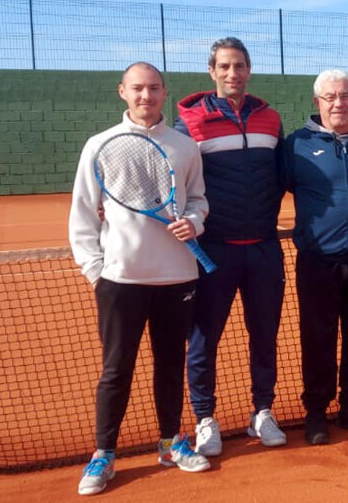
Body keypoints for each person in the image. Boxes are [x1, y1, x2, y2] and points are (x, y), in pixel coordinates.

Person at [70, 62, 210, 495]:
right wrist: (97, 272)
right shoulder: (99, 145)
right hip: (120, 281)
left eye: (153, 88)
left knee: (170, 366)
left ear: (164, 93)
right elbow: (81, 216)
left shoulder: (185, 147)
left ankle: (171, 443)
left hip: (177, 278)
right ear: (122, 92)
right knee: (117, 369)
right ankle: (103, 454)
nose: (145, 96)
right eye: (137, 89)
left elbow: (200, 199)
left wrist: (194, 221)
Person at [176, 37, 286, 455]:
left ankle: (263, 412)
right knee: (203, 338)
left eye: (239, 66)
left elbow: (282, 175)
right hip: (212, 252)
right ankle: (205, 418)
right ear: (211, 72)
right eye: (224, 66)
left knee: (265, 335)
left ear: (249, 70)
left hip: (262, 249)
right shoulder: (189, 121)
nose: (232, 74)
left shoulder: (271, 120)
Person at [284, 69, 348, 445]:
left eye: (345, 96)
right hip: (318, 262)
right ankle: (315, 413)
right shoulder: (296, 146)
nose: (338, 103)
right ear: (317, 103)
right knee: (318, 338)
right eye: (330, 97)